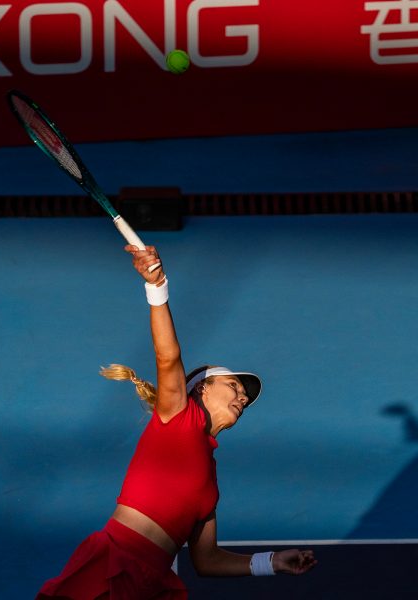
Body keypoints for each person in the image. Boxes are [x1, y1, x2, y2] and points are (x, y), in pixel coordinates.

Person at [37, 245, 317, 599]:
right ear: (201, 388)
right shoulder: (179, 416)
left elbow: (207, 560)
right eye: (234, 386)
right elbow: (168, 357)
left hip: (154, 582)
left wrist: (272, 561)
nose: (243, 398)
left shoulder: (211, 481)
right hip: (115, 563)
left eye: (245, 397)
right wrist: (157, 287)